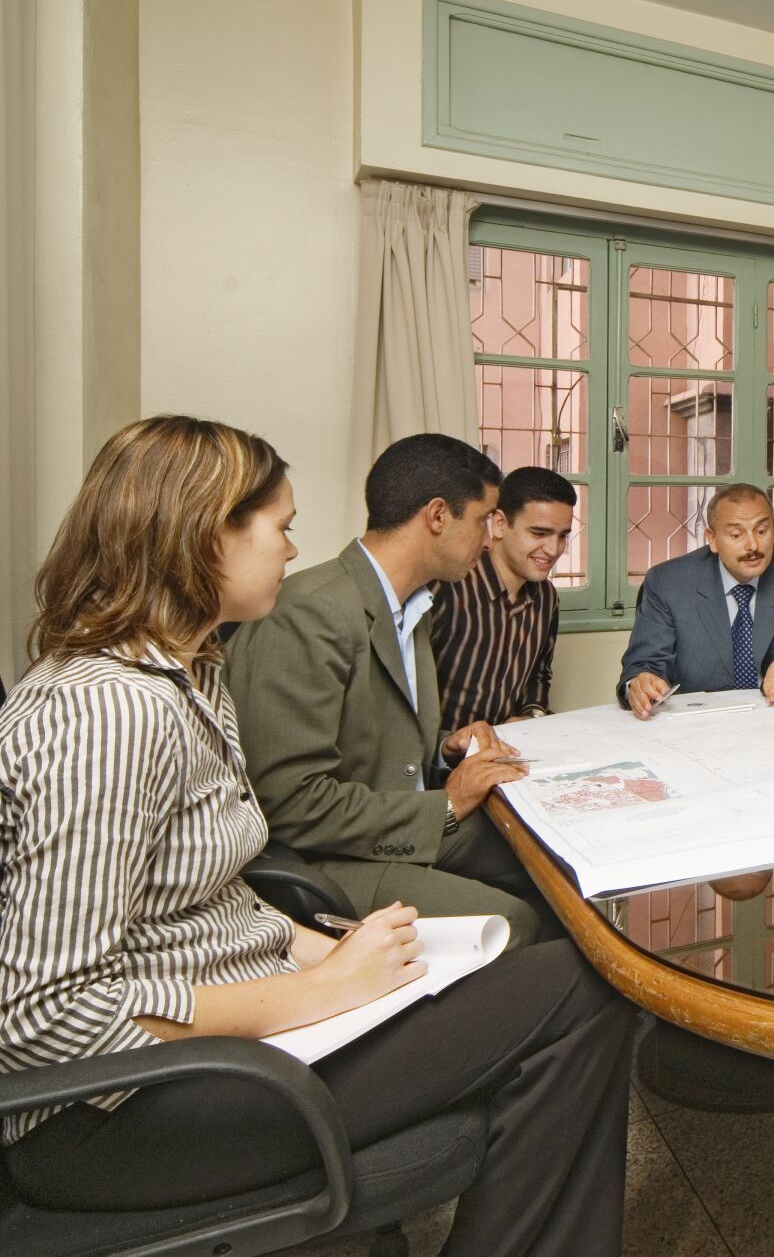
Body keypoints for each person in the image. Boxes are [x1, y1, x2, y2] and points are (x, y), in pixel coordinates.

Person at [0, 417, 632, 1254]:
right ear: (205, 534)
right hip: (119, 1109)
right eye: (280, 526)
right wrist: (322, 990)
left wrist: (328, 950)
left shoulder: (190, 676)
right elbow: (46, 1016)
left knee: (566, 977)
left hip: (228, 1031)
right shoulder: (105, 712)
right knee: (583, 990)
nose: (293, 549)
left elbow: (212, 897)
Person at [226, 434, 550, 948]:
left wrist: (444, 749)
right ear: (438, 516)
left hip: (387, 824)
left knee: (550, 857)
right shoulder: (309, 614)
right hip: (329, 858)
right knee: (514, 923)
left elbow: (372, 740)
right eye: (483, 520)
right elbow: (290, 803)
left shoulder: (412, 606)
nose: (490, 540)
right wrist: (448, 804)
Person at [617, 483, 774, 716]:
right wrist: (640, 684)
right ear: (712, 538)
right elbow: (644, 666)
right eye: (736, 535)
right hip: (697, 721)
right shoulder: (668, 582)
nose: (753, 546)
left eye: (761, 531)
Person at [431, 464, 574, 732]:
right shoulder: (448, 586)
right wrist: (449, 745)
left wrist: (532, 717)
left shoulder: (546, 597)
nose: (554, 549)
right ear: (499, 524)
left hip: (511, 746)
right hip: (444, 751)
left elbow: (538, 675)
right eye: (539, 533)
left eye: (563, 536)